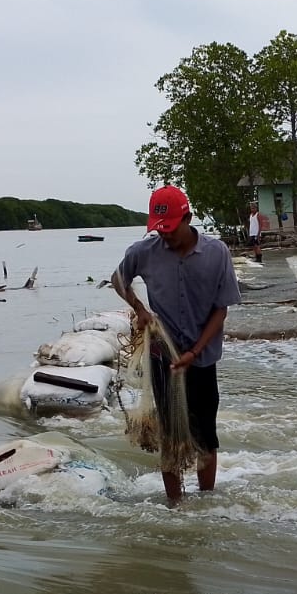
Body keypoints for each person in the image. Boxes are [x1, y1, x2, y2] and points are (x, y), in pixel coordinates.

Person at [113, 186, 242, 505]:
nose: (165, 237)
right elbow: (118, 279)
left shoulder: (216, 253)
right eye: (160, 230)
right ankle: (176, 506)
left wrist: (195, 351)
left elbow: (221, 308)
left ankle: (206, 501)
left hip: (201, 359)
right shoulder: (144, 252)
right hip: (163, 358)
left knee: (205, 436)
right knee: (170, 437)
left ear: (188, 218)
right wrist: (141, 310)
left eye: (170, 229)